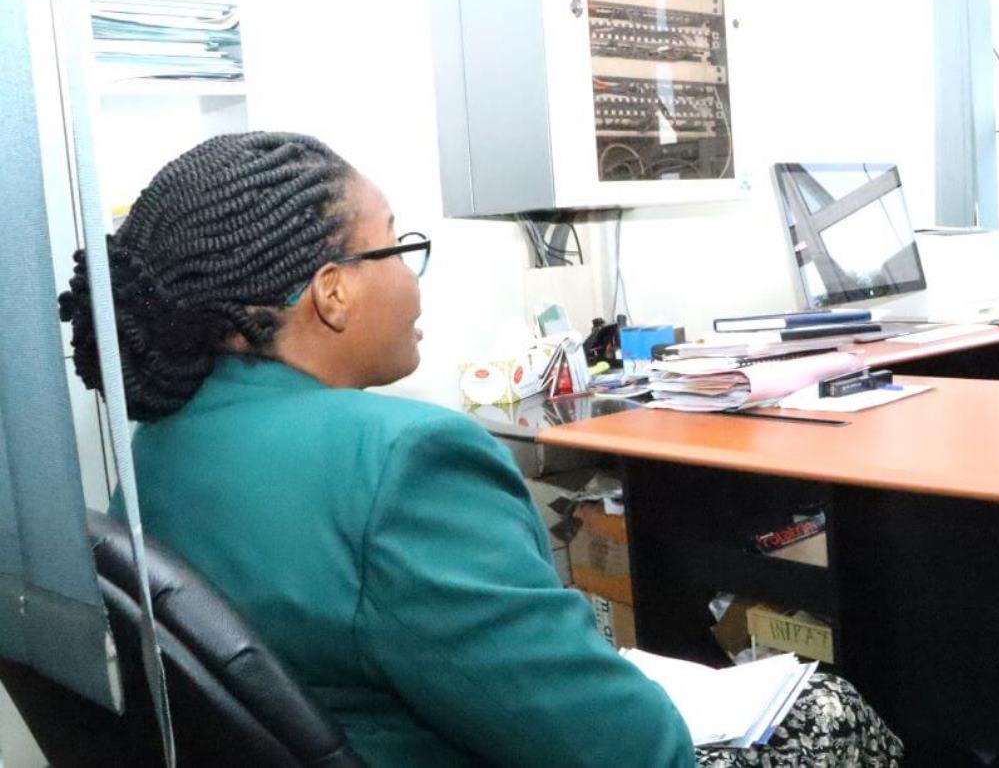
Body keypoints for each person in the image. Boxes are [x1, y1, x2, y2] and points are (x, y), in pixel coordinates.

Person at [59, 132, 902, 768]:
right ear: (333, 292)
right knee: (832, 710)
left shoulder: (155, 451)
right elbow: (627, 750)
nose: (412, 277)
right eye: (396, 243)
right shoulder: (406, 460)